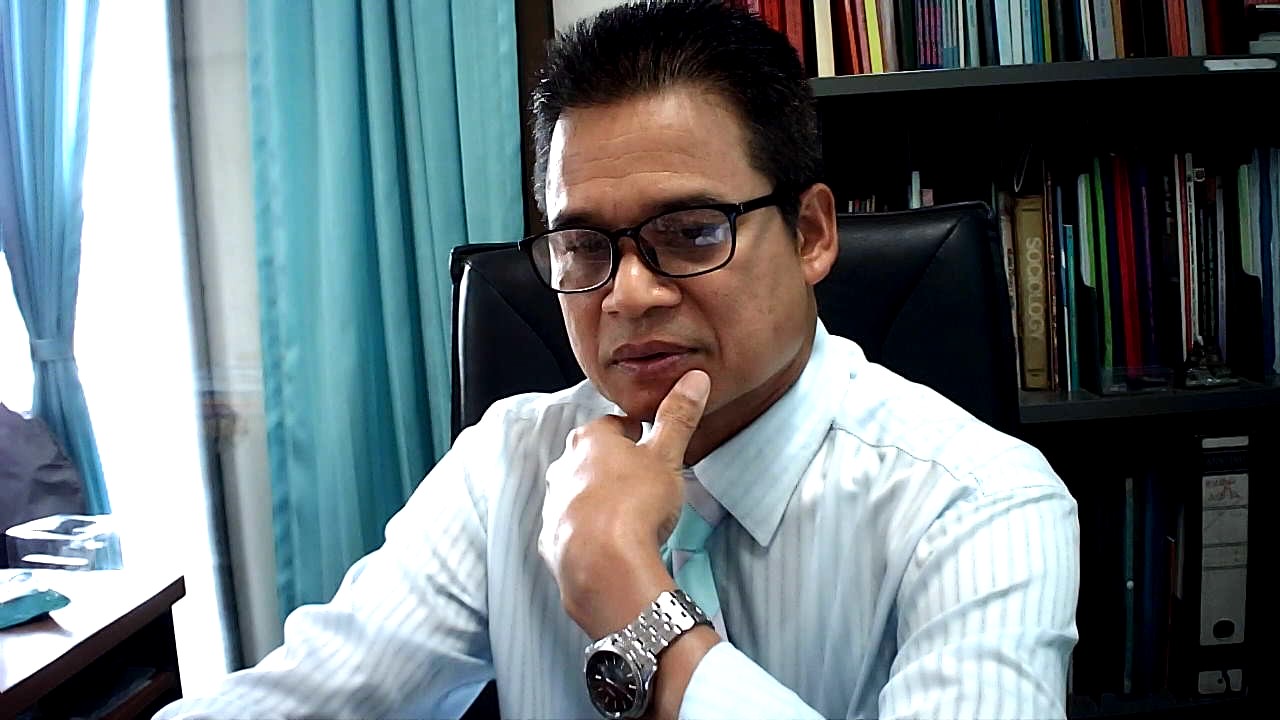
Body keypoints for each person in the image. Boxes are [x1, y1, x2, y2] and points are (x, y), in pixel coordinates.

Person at [154, 1, 1080, 718]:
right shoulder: (507, 465)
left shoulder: (978, 501)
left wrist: (632, 601)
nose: (628, 295)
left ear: (809, 233)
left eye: (690, 230)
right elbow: (317, 691)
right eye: (584, 246)